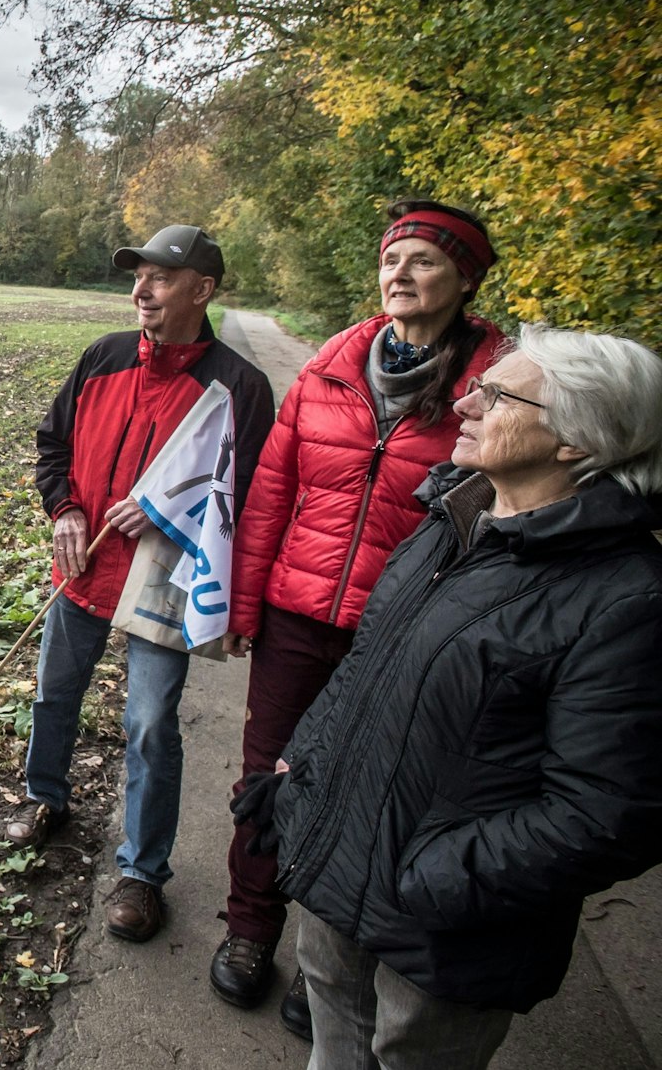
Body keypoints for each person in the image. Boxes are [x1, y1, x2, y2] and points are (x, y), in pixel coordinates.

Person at [236, 325, 662, 1069]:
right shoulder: (452, 519)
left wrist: (436, 878)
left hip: (446, 927)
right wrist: (303, 768)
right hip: (345, 866)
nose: (464, 403)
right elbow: (368, 664)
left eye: (498, 396)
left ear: (575, 440)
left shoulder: (627, 599)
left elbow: (609, 812)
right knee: (334, 1036)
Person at [209, 201, 503, 1031]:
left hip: (405, 630)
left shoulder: (495, 387)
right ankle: (249, 930)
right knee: (267, 777)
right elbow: (271, 494)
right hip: (298, 614)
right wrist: (244, 601)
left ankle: (328, 966)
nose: (399, 274)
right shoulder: (330, 367)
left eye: (423, 261)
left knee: (373, 794)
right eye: (391, 260)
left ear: (466, 279)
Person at [5, 225, 274, 943]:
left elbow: (246, 500)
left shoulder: (240, 389)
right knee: (54, 694)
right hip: (85, 567)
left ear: (202, 290)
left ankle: (142, 873)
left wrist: (168, 516)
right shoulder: (104, 356)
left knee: (151, 723)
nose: (141, 291)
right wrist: (64, 508)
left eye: (159, 277)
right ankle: (44, 796)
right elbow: (52, 445)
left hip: (166, 579)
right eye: (137, 277)